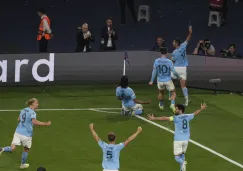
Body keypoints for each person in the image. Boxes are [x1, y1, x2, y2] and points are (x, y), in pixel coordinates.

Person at [147, 103, 207, 171]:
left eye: (176, 109)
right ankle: (182, 169)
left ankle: (183, 162)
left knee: (177, 157)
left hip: (178, 140)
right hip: (186, 140)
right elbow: (195, 113)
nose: (175, 110)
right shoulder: (188, 116)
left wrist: (154, 118)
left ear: (180, 110)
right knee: (182, 155)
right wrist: (201, 109)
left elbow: (165, 118)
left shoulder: (176, 118)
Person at [0, 98, 51, 169]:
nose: (38, 104)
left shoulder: (23, 110)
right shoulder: (33, 113)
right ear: (32, 104)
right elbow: (34, 122)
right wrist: (46, 124)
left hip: (18, 132)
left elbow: (18, 119)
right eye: (37, 103)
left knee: (12, 148)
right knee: (26, 149)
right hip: (26, 135)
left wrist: (26, 122)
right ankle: (22, 165)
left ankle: (2, 149)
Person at [149, 47, 182, 113]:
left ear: (160, 52)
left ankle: (161, 105)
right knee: (173, 92)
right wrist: (179, 77)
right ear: (167, 53)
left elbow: (154, 71)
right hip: (168, 80)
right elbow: (174, 71)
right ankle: (172, 105)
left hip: (160, 81)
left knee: (161, 92)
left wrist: (151, 81)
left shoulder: (157, 61)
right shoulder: (169, 61)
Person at [170, 26, 192, 106]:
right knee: (183, 86)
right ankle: (186, 101)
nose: (172, 43)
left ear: (176, 43)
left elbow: (172, 61)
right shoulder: (183, 46)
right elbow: (188, 39)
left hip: (176, 69)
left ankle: (171, 97)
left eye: (173, 42)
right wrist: (190, 33)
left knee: (170, 82)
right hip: (183, 69)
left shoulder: (175, 52)